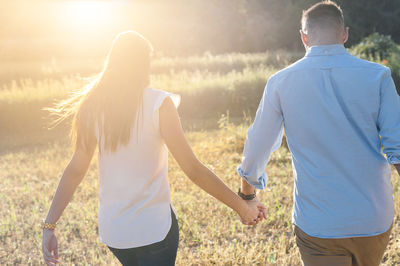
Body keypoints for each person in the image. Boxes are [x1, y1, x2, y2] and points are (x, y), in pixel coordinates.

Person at [41, 31, 266, 266]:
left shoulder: (92, 106)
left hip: (116, 234)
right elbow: (193, 169)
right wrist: (242, 207)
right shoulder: (159, 104)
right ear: (144, 63)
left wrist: (49, 225)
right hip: (154, 232)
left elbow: (76, 169)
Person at [237, 1, 400, 265]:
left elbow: (257, 146)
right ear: (344, 34)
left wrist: (247, 195)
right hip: (373, 219)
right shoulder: (378, 76)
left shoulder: (280, 83)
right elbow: (398, 148)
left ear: (304, 37)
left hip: (318, 223)